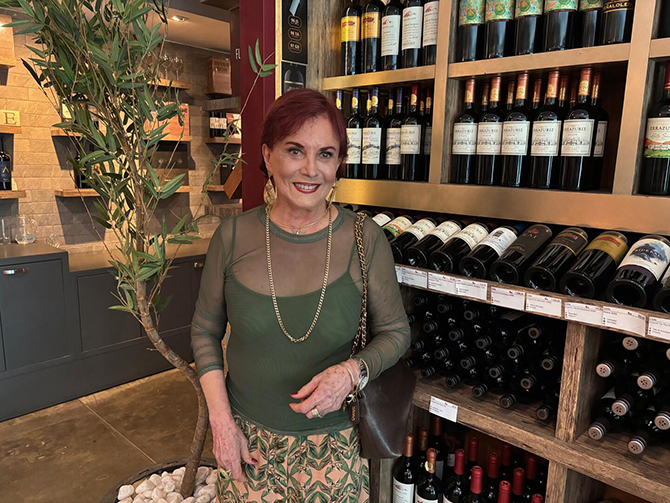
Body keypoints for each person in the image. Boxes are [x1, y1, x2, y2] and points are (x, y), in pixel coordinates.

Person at [190, 88, 411, 503]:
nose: (311, 170)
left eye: (325, 154)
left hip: (335, 451)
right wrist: (222, 424)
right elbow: (204, 331)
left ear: (338, 164)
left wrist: (351, 373)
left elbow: (396, 333)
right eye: (295, 151)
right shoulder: (232, 238)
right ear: (268, 155)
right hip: (247, 444)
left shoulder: (365, 239)